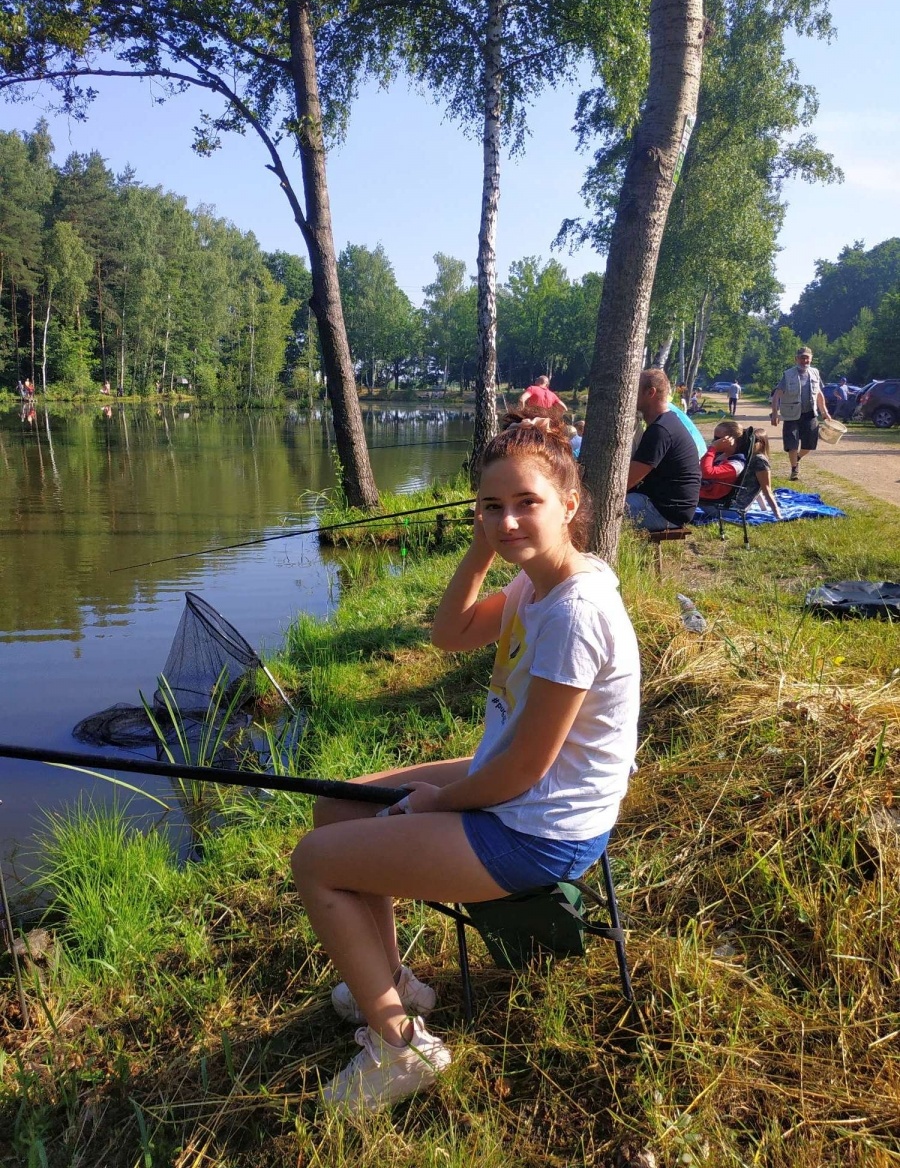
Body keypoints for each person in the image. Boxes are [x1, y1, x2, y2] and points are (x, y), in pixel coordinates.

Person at [291, 412, 640, 1112]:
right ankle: (395, 982)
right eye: (491, 506)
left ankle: (401, 1048)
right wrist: (482, 550)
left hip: (542, 827)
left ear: (570, 505)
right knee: (338, 802)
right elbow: (449, 634)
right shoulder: (536, 583)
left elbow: (522, 774)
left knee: (315, 861)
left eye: (526, 504)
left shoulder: (575, 610)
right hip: (523, 787)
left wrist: (432, 800)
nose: (508, 521)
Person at [625, 369, 701, 531]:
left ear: (650, 392)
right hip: (669, 507)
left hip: (665, 512)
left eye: (634, 391)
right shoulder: (668, 422)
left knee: (596, 510)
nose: (628, 395)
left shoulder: (660, 430)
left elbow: (628, 481)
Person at [770, 347, 830, 481]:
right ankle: (794, 469)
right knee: (792, 443)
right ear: (796, 359)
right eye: (802, 357)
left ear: (811, 358)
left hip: (810, 414)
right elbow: (776, 396)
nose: (805, 360)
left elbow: (819, 394)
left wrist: (824, 412)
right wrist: (775, 413)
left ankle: (797, 458)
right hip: (791, 415)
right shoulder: (788, 374)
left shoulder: (815, 373)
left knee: (809, 445)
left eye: (807, 357)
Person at [698, 425, 781, 520]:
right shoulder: (729, 455)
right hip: (720, 501)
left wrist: (778, 515)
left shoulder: (748, 461)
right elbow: (753, 485)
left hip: (728, 508)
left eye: (717, 439)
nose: (714, 441)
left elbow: (765, 488)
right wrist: (764, 509)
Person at [698, 421, 746, 502]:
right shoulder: (721, 455)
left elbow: (707, 473)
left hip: (711, 496)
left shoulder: (736, 464)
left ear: (731, 440)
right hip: (702, 489)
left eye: (717, 439)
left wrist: (712, 448)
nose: (714, 441)